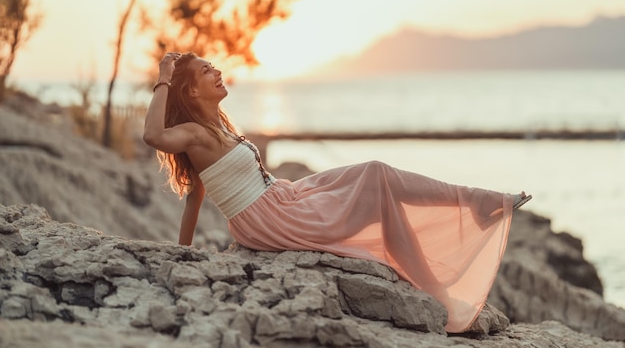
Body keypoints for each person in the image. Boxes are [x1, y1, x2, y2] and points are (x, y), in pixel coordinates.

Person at [143, 51, 532, 333]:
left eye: (213, 66)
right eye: (206, 70)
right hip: (271, 217)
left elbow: (194, 195)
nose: (217, 71)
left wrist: (185, 252)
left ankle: (457, 239)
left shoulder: (218, 128)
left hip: (285, 196)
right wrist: (164, 73)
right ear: (191, 92)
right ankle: (461, 237)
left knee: (375, 175)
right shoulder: (194, 133)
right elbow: (152, 135)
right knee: (379, 187)